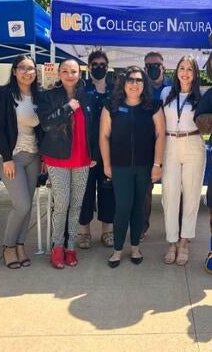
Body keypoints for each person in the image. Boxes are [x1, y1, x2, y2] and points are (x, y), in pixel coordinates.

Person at [100, 66, 165, 267]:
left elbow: (161, 135)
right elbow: (104, 136)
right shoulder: (111, 106)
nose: (134, 84)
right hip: (120, 167)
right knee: (123, 207)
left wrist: (157, 164)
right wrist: (107, 164)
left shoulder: (153, 106)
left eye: (139, 80)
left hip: (145, 166)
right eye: (130, 80)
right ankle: (117, 250)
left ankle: (135, 248)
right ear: (123, 83)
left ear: (144, 84)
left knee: (138, 207)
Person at [37, 58, 96, 269]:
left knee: (76, 205)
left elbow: (93, 128)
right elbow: (46, 124)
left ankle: (71, 246)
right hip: (57, 158)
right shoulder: (49, 96)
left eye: (74, 71)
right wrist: (68, 108)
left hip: (82, 159)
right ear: (59, 74)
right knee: (61, 205)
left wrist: (94, 154)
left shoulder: (87, 97)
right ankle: (57, 246)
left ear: (79, 74)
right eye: (65, 71)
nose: (70, 75)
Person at [0, 55, 43, 269]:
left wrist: (45, 157)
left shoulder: (40, 95)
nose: (26, 72)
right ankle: (8, 247)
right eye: (22, 68)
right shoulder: (4, 95)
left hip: (34, 156)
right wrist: (6, 158)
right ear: (14, 71)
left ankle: (21, 245)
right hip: (11, 157)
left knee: (28, 204)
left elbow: (43, 128)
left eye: (31, 68)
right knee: (21, 205)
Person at [160, 55, 206, 266]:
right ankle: (171, 242)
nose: (185, 72)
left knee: (191, 194)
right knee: (169, 195)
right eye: (181, 68)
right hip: (169, 144)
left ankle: (184, 241)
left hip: (193, 144)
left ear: (195, 74)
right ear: (176, 71)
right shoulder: (166, 93)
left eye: (189, 69)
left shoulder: (201, 96)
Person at [77, 49, 116, 249]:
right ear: (89, 68)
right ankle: (84, 232)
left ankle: (107, 231)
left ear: (107, 67)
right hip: (87, 151)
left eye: (102, 65)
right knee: (86, 191)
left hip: (109, 151)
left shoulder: (115, 91)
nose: (99, 68)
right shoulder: (82, 90)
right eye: (95, 65)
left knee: (108, 191)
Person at [142, 51, 172, 237]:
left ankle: (175, 231)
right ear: (145, 68)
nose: (153, 68)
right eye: (149, 65)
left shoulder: (174, 87)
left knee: (174, 189)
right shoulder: (139, 88)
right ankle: (141, 229)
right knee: (145, 190)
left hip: (171, 143)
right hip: (146, 144)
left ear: (163, 67)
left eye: (157, 65)